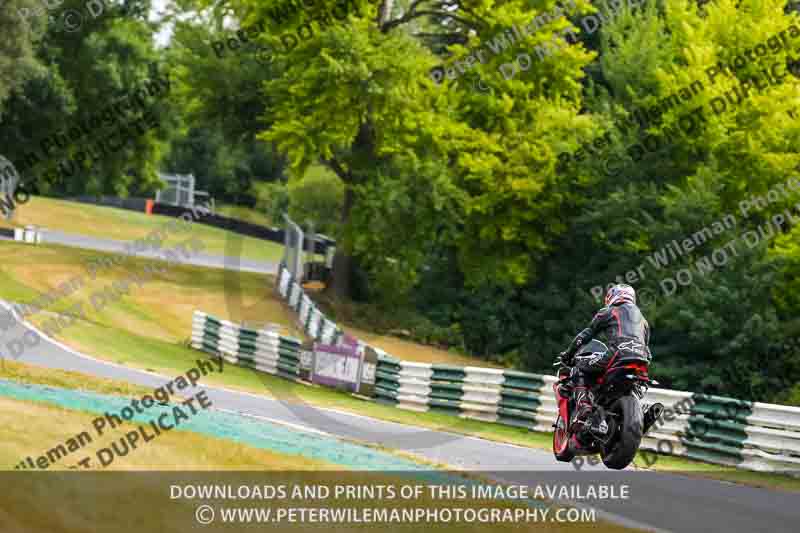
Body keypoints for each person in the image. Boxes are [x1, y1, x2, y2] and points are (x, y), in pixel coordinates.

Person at [559, 284, 652, 430]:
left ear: (613, 296)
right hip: (641, 360)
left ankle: (584, 407)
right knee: (638, 384)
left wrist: (568, 354)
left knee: (579, 367)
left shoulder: (609, 311)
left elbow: (585, 335)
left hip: (617, 354)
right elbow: (647, 349)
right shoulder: (643, 320)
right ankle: (641, 414)